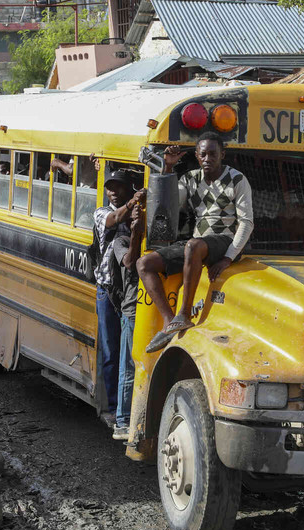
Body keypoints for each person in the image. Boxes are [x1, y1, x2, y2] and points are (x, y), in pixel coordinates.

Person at [137, 131, 254, 353]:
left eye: (213, 154)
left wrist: (228, 257)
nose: (208, 158)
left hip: (226, 240)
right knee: (144, 264)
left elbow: (247, 223)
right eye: (203, 154)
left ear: (222, 155)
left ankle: (184, 312)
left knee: (192, 245)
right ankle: (170, 320)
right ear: (198, 157)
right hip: (200, 243)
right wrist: (168, 168)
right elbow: (170, 204)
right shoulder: (190, 179)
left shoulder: (237, 179)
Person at [93, 170, 145, 428]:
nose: (113, 191)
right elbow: (114, 218)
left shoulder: (136, 214)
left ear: (127, 188)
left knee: (128, 353)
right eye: (110, 186)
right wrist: (134, 202)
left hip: (129, 292)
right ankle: (112, 407)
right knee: (111, 350)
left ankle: (129, 406)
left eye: (118, 186)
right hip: (107, 288)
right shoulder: (102, 212)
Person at [109, 201, 144, 439]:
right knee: (129, 366)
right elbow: (130, 262)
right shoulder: (120, 242)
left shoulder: (156, 242)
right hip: (132, 309)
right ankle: (122, 420)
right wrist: (136, 234)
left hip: (150, 309)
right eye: (134, 218)